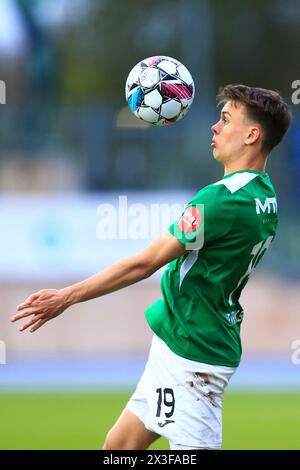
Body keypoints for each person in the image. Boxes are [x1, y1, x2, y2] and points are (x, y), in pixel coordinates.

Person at [11, 84, 292, 450]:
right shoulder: (265, 195)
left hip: (193, 359)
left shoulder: (222, 201)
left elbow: (144, 265)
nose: (214, 127)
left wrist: (67, 296)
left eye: (225, 119)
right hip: (180, 343)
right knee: (119, 448)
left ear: (252, 135)